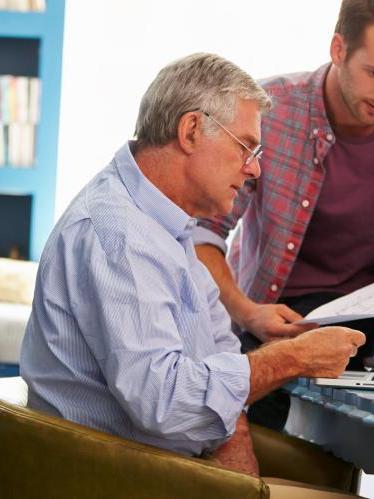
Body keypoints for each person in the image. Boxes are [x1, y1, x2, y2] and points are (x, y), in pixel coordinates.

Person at [20, 53, 365, 498]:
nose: (256, 168)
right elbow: (166, 402)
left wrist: (234, 438)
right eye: (246, 147)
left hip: (170, 463)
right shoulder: (118, 234)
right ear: (190, 131)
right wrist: (293, 358)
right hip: (119, 477)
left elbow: (217, 347)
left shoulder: (166, 222)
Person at [194, 0, 374, 428]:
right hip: (274, 318)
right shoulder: (268, 113)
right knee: (254, 432)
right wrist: (246, 311)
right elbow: (201, 233)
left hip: (364, 321)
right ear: (338, 49)